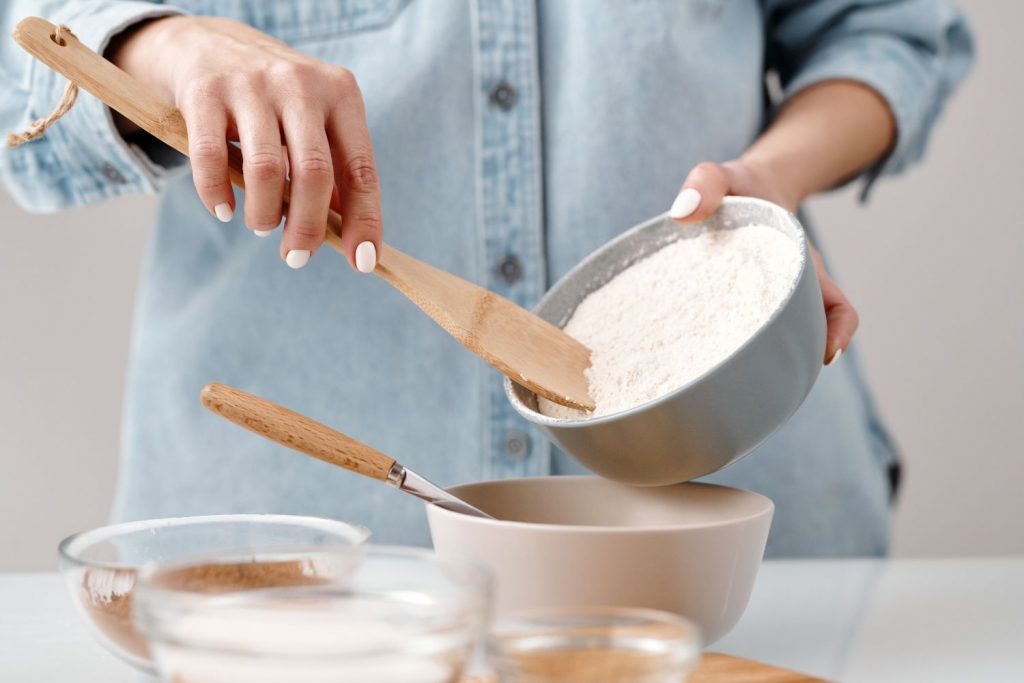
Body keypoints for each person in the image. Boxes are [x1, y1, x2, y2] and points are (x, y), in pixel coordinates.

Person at [0, 1, 972, 557]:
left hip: (737, 542)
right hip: (302, 553)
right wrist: (159, 42)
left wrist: (773, 178)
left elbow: (888, 31)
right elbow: (27, 57)